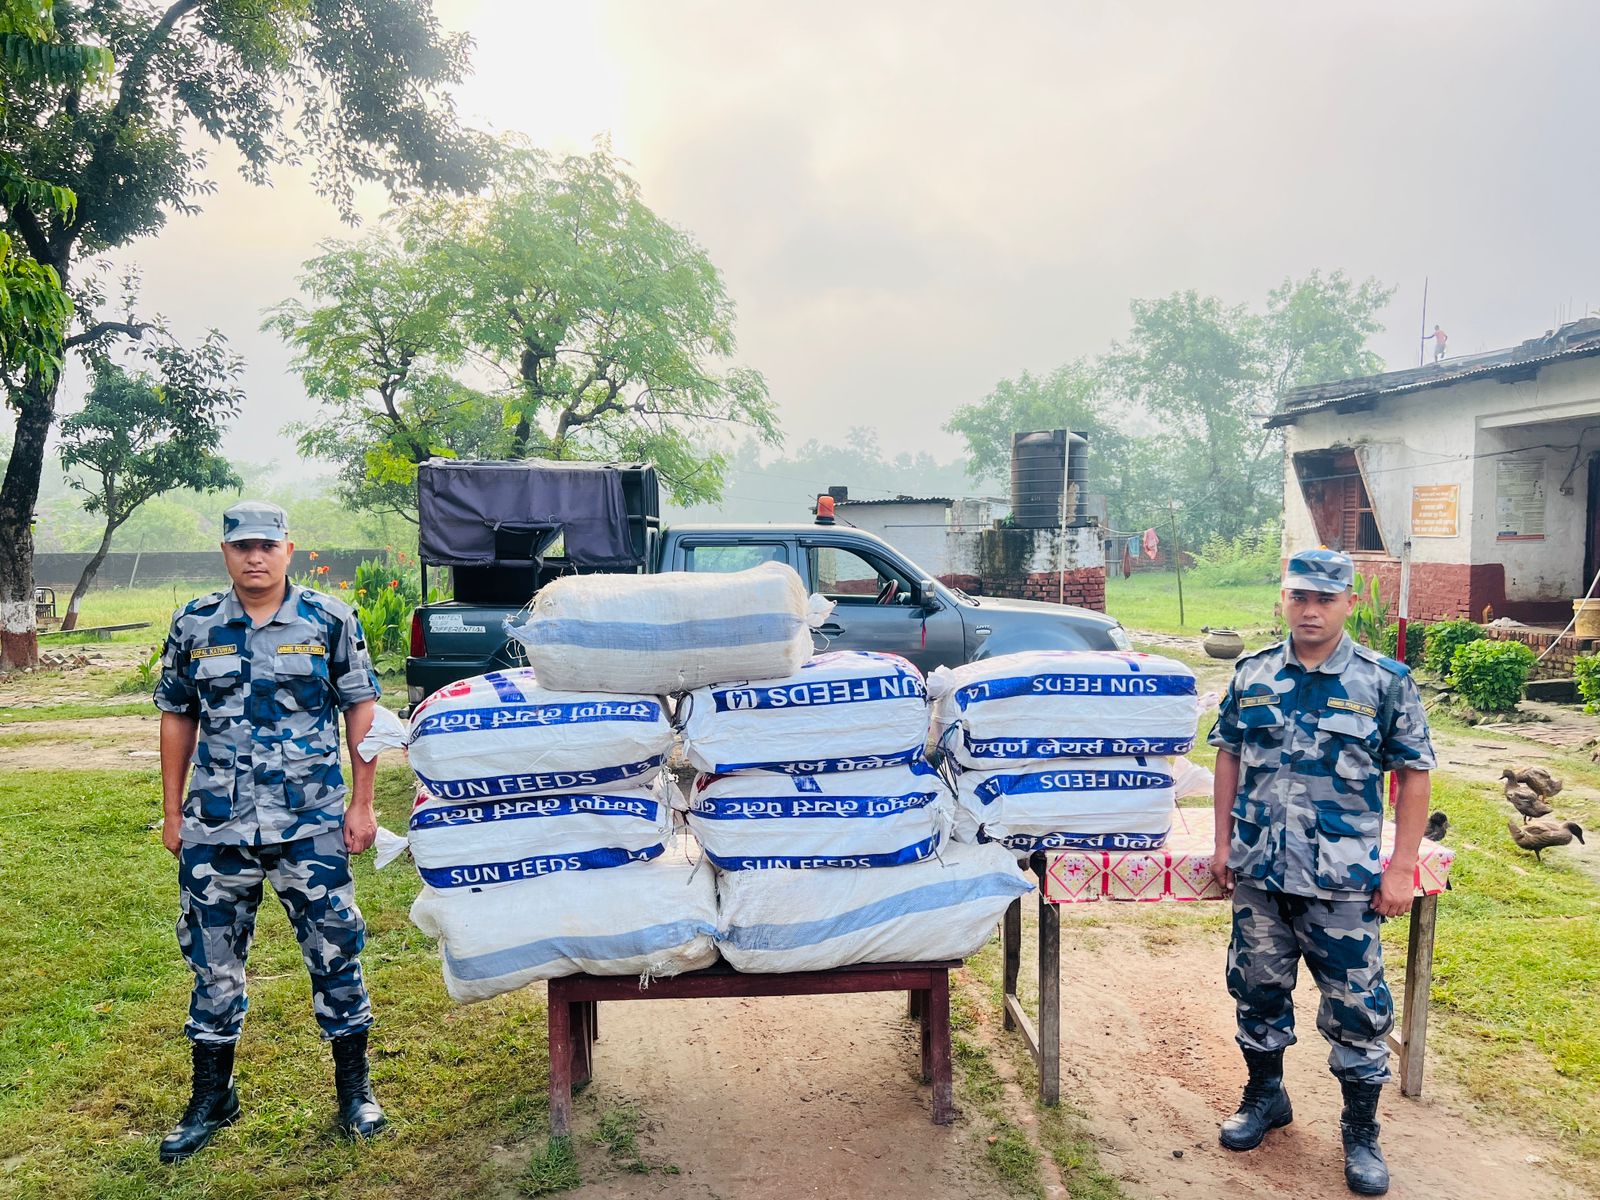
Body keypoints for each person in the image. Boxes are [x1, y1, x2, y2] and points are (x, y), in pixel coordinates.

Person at [154, 501, 386, 1163]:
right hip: (217, 826)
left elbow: (361, 711)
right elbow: (177, 715)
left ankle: (354, 1091)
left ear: (289, 550)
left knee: (336, 953)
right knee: (212, 965)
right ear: (225, 553)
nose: (254, 557)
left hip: (310, 822)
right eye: (241, 546)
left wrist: (362, 806)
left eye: (266, 545)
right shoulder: (196, 623)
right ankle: (211, 1098)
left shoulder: (329, 619)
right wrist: (173, 813)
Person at [1208, 548, 1435, 1196]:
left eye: (1324, 599)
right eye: (1298, 596)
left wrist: (1402, 867)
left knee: (1359, 1014)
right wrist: (1223, 842)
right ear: (1284, 597)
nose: (1310, 610)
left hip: (1342, 885)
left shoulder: (1383, 681)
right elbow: (1227, 755)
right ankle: (1265, 1097)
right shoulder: (1252, 673)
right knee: (1256, 991)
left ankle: (1361, 1134)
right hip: (1260, 876)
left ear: (1347, 603)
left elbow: (1414, 775)